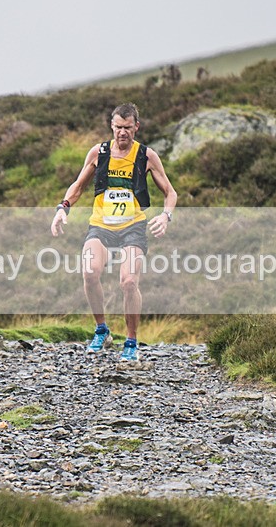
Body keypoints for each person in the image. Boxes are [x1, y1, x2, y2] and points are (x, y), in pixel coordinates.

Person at [51, 103, 177, 361]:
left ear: (136, 127)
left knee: (129, 283)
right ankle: (102, 330)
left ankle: (131, 341)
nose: (122, 133)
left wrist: (166, 216)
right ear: (112, 126)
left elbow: (170, 192)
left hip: (133, 227)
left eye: (128, 128)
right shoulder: (99, 153)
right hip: (101, 226)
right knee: (89, 271)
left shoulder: (147, 156)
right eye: (118, 127)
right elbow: (78, 186)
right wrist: (63, 208)